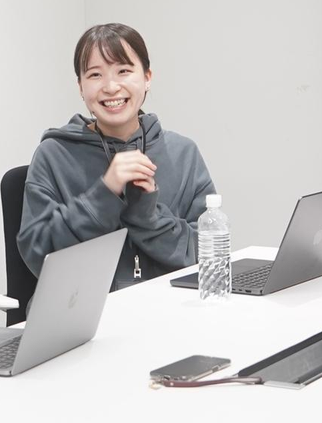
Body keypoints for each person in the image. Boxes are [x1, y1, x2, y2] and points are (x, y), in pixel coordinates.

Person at [19, 23, 216, 290]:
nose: (111, 87)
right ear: (80, 87)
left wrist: (148, 214)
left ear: (147, 77)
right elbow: (38, 255)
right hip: (85, 310)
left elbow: (208, 256)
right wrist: (105, 193)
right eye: (95, 75)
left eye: (123, 71)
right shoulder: (53, 154)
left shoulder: (182, 153)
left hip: (167, 307)